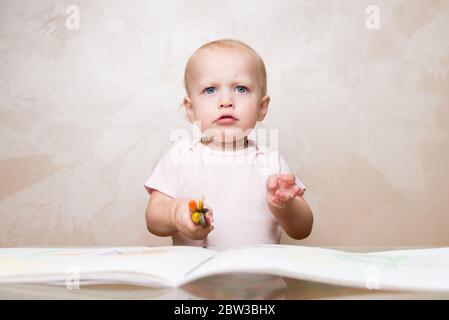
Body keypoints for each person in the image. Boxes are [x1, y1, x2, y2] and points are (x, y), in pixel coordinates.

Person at [144, 39, 313, 249]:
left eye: (241, 89)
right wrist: (176, 213)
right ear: (190, 108)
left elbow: (303, 230)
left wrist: (285, 207)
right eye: (210, 90)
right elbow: (153, 217)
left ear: (262, 107)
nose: (226, 101)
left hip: (259, 282)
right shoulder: (181, 155)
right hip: (193, 281)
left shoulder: (271, 162)